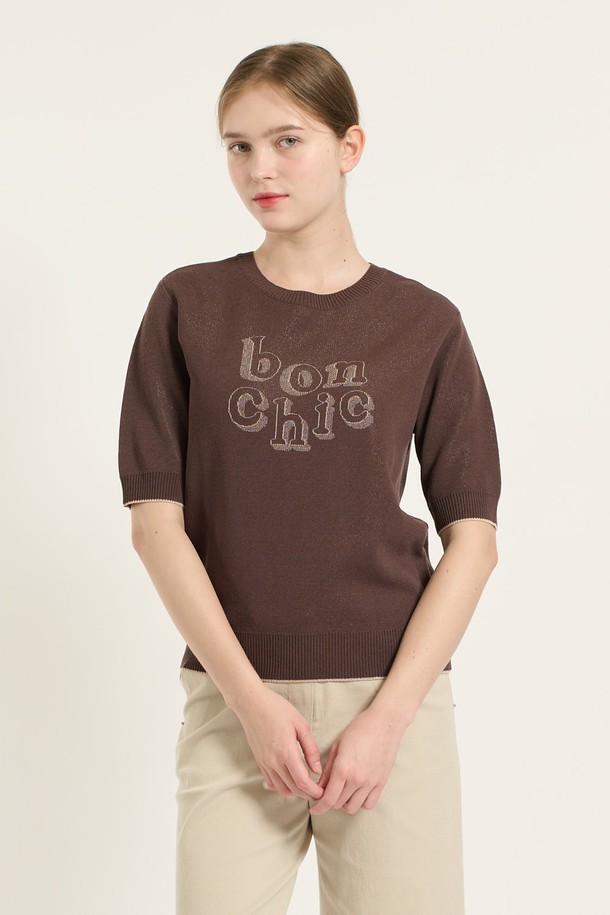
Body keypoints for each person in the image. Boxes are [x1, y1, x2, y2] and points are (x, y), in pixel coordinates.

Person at [118, 41, 501, 915]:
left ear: (349, 146)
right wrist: (249, 702)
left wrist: (388, 718)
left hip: (393, 701)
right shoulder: (187, 305)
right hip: (233, 700)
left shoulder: (425, 323)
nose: (260, 168)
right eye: (238, 145)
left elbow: (474, 541)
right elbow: (154, 525)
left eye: (287, 140)